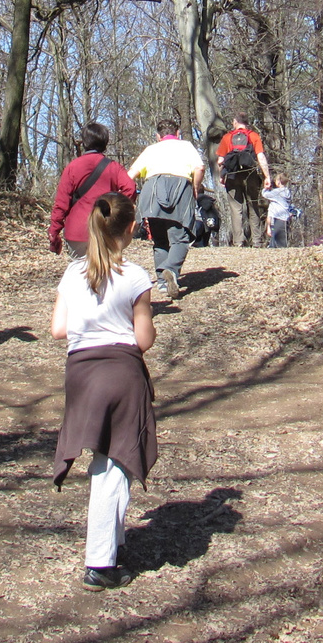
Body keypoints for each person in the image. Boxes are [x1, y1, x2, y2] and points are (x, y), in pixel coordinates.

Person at [50, 191, 158, 592]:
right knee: (114, 465)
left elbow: (59, 330)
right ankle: (99, 562)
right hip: (120, 373)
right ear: (130, 228)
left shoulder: (72, 274)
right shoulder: (135, 276)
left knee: (106, 461)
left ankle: (113, 544)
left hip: (80, 374)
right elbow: (143, 340)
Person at [128, 118, 205, 302]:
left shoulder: (151, 149)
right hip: (180, 188)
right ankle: (171, 269)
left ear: (158, 136)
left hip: (152, 191)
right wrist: (195, 186)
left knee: (160, 239)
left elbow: (131, 174)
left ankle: (163, 283)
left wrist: (128, 198)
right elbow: (200, 167)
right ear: (177, 133)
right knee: (180, 237)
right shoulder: (186, 146)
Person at [49, 121, 137, 258]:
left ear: (84, 142)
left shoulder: (72, 167)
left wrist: (54, 232)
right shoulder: (114, 167)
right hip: (105, 229)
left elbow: (61, 204)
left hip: (77, 232)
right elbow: (130, 188)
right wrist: (115, 208)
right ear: (105, 143)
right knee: (106, 274)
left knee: (81, 274)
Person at [215, 114, 271, 248]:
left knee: (236, 209)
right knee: (253, 206)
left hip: (233, 175)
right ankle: (256, 241)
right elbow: (260, 156)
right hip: (250, 174)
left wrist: (221, 176)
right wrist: (267, 176)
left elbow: (220, 160)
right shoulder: (253, 136)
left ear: (235, 122)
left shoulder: (227, 137)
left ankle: (238, 241)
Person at [264, 173, 294, 248]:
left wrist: (266, 187)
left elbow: (265, 194)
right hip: (285, 219)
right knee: (279, 241)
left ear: (279, 181)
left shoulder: (278, 192)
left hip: (278, 219)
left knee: (279, 244)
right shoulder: (287, 192)